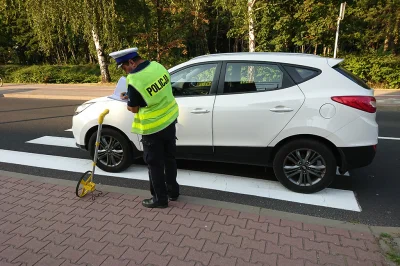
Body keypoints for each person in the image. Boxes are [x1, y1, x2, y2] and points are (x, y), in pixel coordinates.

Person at [109, 47, 180, 208]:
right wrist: (132, 95)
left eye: (125, 67)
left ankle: (159, 199)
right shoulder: (158, 66)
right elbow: (158, 90)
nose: (126, 72)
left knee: (154, 164)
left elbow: (133, 108)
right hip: (169, 120)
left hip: (152, 128)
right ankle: (173, 192)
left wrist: (129, 100)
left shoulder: (134, 80)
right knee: (169, 159)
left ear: (132, 62)